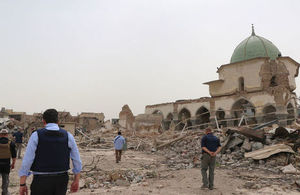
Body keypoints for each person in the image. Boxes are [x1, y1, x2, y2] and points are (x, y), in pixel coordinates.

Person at [19, 109, 82, 195]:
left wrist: (22, 183)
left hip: (41, 180)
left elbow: (27, 160)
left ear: (43, 121)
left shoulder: (36, 135)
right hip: (61, 180)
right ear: (58, 121)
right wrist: (76, 180)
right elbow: (76, 159)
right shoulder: (68, 135)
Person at [0, 129, 16, 195]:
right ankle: (5, 192)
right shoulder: (11, 143)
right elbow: (14, 156)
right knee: (5, 179)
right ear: (7, 134)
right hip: (6, 164)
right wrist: (13, 164)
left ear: (0, 134)